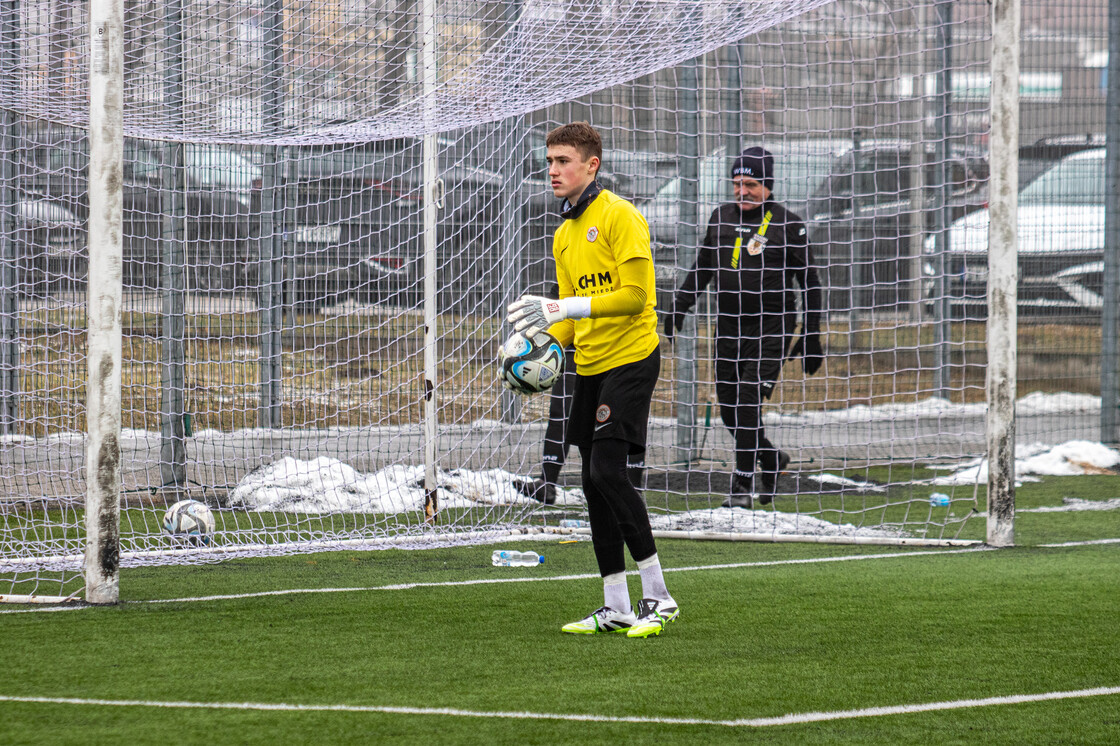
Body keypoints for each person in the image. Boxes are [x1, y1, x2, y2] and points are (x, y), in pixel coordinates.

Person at [506, 121, 677, 638]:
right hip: (591, 364)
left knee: (607, 472)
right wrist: (546, 345)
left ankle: (660, 597)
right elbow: (571, 317)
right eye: (550, 161)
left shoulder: (620, 216)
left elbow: (635, 298)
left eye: (563, 161)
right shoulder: (563, 232)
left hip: (632, 358)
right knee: (589, 481)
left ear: (591, 165)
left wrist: (563, 307)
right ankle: (617, 606)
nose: (552, 170)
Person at [663, 146, 824, 508]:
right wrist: (678, 308)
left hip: (772, 328)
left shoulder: (788, 223)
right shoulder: (720, 218)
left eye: (750, 184)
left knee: (749, 399)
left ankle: (741, 485)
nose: (742, 191)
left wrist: (811, 335)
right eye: (736, 184)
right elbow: (703, 268)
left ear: (767, 185)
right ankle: (769, 458)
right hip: (728, 329)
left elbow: (810, 283)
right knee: (730, 410)